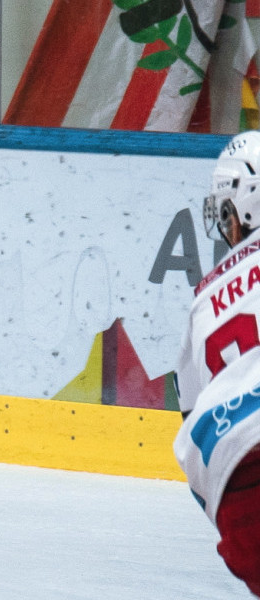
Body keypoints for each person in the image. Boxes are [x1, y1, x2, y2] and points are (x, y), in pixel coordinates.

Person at [179, 129, 260, 596]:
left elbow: (192, 418)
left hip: (238, 497)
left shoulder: (202, 300)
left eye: (226, 211)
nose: (227, 224)